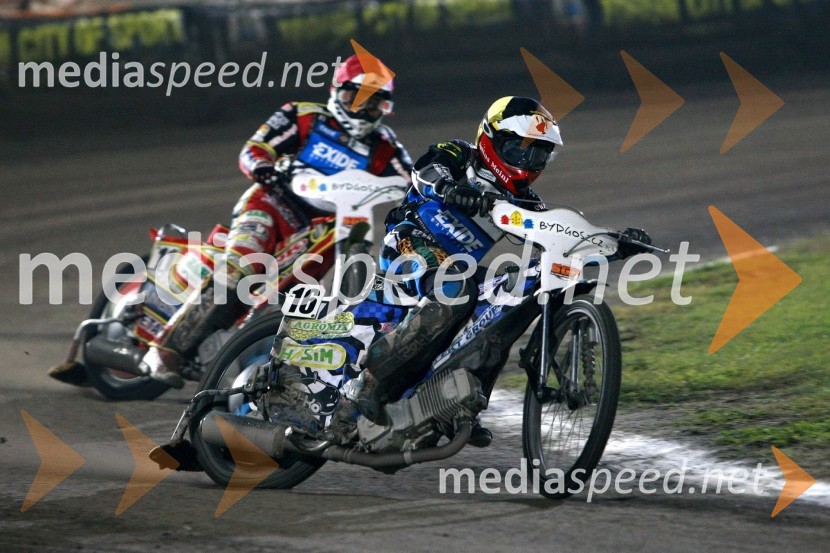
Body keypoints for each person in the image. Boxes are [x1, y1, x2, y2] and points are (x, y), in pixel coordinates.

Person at [333, 96, 650, 447]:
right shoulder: (458, 154)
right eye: (520, 149)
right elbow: (425, 172)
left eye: (539, 153)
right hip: (410, 242)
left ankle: (463, 402)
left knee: (514, 296)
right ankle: (368, 384)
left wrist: (616, 245)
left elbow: (564, 241)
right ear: (491, 138)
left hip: (461, 269)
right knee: (458, 287)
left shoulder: (526, 202)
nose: (529, 162)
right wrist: (452, 189)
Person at [137, 54, 412, 388]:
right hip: (271, 205)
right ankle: (165, 349)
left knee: (300, 296)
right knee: (242, 270)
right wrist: (263, 166)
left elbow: (411, 183)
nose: (360, 110)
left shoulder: (386, 147)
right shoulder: (302, 116)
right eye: (354, 98)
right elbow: (254, 149)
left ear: (385, 108)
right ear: (336, 91)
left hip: (325, 228)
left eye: (373, 104)